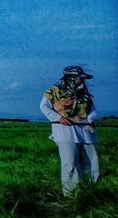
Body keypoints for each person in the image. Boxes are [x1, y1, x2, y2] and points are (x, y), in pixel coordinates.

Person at [39, 65, 99, 196]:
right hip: (65, 132)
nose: (81, 81)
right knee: (70, 164)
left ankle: (91, 192)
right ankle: (71, 195)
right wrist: (58, 118)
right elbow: (44, 106)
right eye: (79, 78)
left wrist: (90, 118)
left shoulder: (84, 93)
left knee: (91, 163)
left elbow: (92, 109)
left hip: (86, 131)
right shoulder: (54, 91)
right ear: (70, 78)